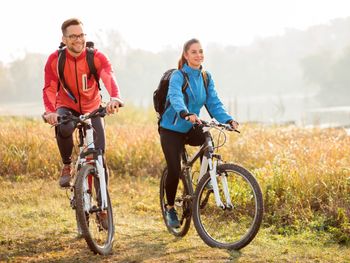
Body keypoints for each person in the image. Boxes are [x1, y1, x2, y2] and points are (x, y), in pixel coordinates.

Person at [159, 38, 239, 228]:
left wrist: (228, 119)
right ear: (186, 55)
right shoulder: (178, 76)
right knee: (175, 169)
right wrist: (185, 113)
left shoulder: (205, 77)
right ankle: (170, 208)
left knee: (207, 138)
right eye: (193, 52)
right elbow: (175, 97)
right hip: (171, 128)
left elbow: (213, 102)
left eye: (201, 51)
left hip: (191, 125)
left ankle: (207, 179)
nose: (198, 55)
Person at [42, 18, 123, 188]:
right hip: (67, 107)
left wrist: (115, 97)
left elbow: (108, 75)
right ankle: (66, 165)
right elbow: (49, 88)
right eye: (73, 36)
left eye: (81, 35)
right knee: (64, 128)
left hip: (92, 107)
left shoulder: (96, 57)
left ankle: (102, 204)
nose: (78, 40)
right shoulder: (55, 60)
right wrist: (50, 111)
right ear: (64, 39)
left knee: (98, 156)